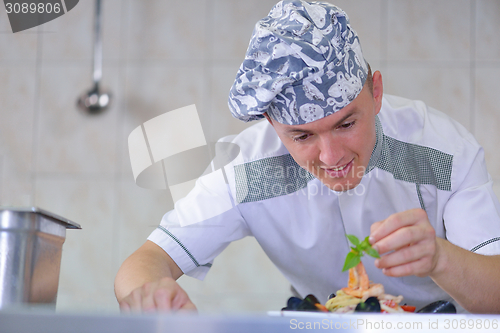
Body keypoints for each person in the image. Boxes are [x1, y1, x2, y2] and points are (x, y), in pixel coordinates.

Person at [114, 0, 500, 313]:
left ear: (376, 91)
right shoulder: (249, 170)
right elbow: (147, 261)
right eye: (302, 136)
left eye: (346, 124)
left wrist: (441, 259)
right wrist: (152, 295)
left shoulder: (443, 152)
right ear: (271, 123)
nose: (331, 156)